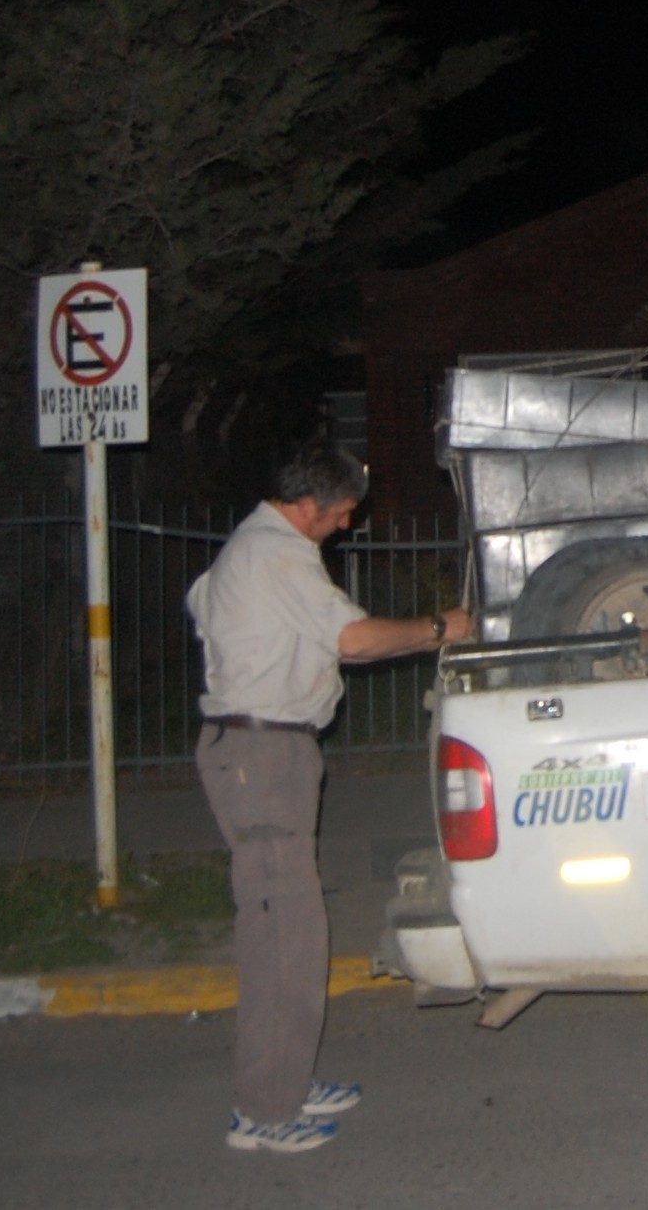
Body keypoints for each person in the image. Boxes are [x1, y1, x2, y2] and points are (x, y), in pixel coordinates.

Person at [186, 440, 474, 1156]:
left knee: (291, 927)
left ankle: (284, 1081)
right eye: (343, 513)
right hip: (261, 753)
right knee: (282, 935)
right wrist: (441, 629)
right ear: (308, 504)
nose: (346, 525)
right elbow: (352, 637)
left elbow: (204, 609)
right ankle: (262, 1110)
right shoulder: (274, 552)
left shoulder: (249, 550)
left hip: (261, 749)